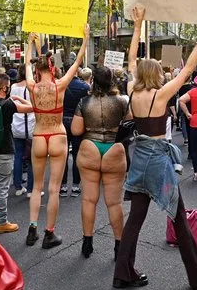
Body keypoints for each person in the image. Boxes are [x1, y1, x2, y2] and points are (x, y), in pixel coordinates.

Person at [113, 6, 197, 290]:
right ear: (156, 73)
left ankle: (123, 272)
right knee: (179, 218)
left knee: (135, 219)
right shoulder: (161, 94)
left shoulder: (132, 89)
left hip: (139, 159)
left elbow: (132, 60)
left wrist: (137, 26)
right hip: (158, 161)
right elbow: (189, 69)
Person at [24, 26, 89, 249]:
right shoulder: (60, 85)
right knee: (54, 189)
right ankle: (49, 233)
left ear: (37, 70)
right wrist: (85, 39)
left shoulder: (32, 87)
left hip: (39, 135)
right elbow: (77, 62)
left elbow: (26, 64)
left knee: (36, 187)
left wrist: (29, 44)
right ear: (52, 68)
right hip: (58, 135)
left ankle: (32, 227)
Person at [71, 66, 129, 259]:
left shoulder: (84, 102)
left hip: (90, 148)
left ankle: (87, 243)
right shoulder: (122, 101)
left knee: (89, 199)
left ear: (93, 80)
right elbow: (129, 125)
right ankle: (119, 246)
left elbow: (76, 130)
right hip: (114, 148)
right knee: (114, 203)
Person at [0, 73, 33, 234]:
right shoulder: (8, 104)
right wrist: (20, 100)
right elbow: (32, 108)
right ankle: (2, 222)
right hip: (3, 151)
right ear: (4, 87)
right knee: (2, 188)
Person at [61, 60, 90, 197]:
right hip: (78, 120)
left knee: (63, 154)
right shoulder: (84, 86)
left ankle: (62, 185)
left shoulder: (60, 85)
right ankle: (76, 186)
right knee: (78, 154)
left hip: (62, 120)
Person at [10, 65, 37, 197]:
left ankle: (18, 186)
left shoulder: (13, 87)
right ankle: (31, 189)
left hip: (17, 125)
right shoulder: (33, 87)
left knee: (18, 156)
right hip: (31, 125)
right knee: (32, 159)